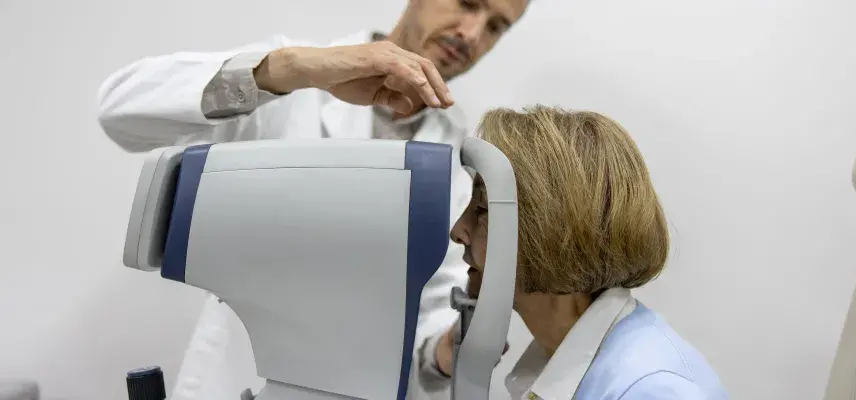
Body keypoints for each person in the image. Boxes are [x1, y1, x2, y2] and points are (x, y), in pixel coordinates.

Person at [96, 1, 530, 398]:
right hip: (238, 380)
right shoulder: (287, 79)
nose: (472, 34)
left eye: (496, 27)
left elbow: (429, 317)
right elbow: (120, 110)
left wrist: (446, 352)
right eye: (468, 3)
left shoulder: (460, 159)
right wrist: (291, 70)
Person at [450, 106, 729, 399]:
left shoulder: (651, 389)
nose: (458, 231)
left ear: (551, 230)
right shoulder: (565, 361)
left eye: (481, 208)